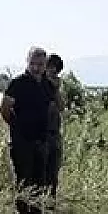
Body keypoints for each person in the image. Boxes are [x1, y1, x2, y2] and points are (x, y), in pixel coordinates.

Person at [0, 47, 54, 214]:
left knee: (41, 181)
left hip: (41, 140)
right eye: (33, 63)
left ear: (45, 65)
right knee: (24, 181)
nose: (36, 68)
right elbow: (5, 109)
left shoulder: (47, 85)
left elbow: (56, 106)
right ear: (27, 61)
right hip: (23, 141)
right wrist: (17, 128)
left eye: (40, 64)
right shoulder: (18, 83)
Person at [44, 53, 65, 197]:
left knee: (52, 176)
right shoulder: (37, 84)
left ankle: (51, 208)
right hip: (38, 135)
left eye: (55, 69)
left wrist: (56, 89)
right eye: (50, 67)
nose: (52, 71)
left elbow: (61, 106)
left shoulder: (56, 86)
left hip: (54, 134)